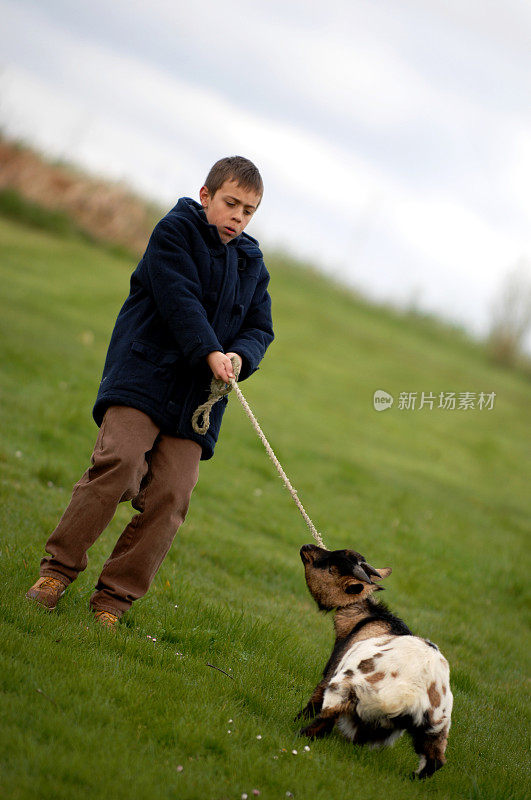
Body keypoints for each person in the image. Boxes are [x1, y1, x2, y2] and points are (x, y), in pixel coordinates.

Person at [26, 156, 274, 626]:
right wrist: (208, 351)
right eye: (231, 203)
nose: (238, 217)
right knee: (118, 464)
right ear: (206, 196)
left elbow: (260, 327)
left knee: (172, 495)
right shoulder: (174, 231)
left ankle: (112, 602)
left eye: (249, 210)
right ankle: (57, 572)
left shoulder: (252, 264)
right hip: (143, 376)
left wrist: (240, 357)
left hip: (196, 402)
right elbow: (178, 299)